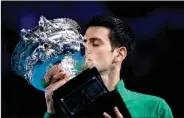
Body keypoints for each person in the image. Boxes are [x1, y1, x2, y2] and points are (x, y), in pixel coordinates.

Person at [43, 16, 173, 118]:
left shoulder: (154, 108)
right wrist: (51, 112)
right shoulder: (68, 107)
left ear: (119, 54)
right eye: (83, 43)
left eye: (95, 43)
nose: (84, 50)